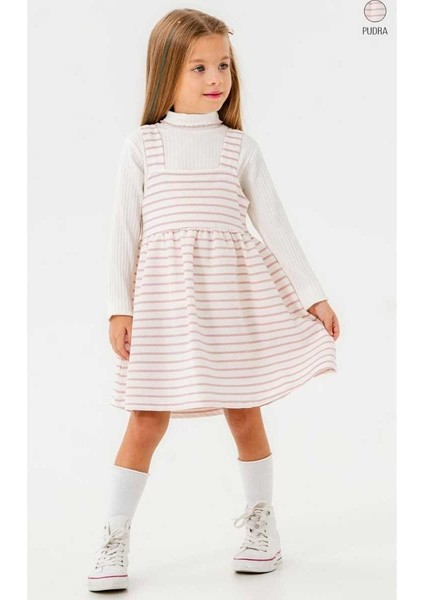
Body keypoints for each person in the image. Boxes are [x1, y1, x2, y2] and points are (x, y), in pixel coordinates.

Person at [87, 7, 340, 592]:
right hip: (164, 308)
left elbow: (276, 225)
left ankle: (261, 524)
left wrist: (313, 296)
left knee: (244, 411)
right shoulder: (143, 146)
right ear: (166, 72)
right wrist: (118, 307)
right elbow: (124, 232)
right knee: (146, 418)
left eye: (222, 65)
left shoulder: (239, 148)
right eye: (198, 67)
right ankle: (114, 534)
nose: (215, 78)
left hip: (231, 305)